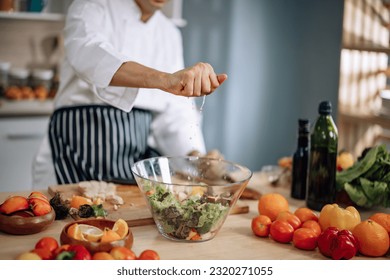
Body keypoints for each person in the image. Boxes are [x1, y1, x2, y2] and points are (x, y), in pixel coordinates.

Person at [32, 0, 227, 188]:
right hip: (75, 146)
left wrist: (197, 158)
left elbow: (173, 113)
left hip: (130, 160)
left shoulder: (170, 34)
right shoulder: (90, 6)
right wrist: (164, 80)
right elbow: (89, 55)